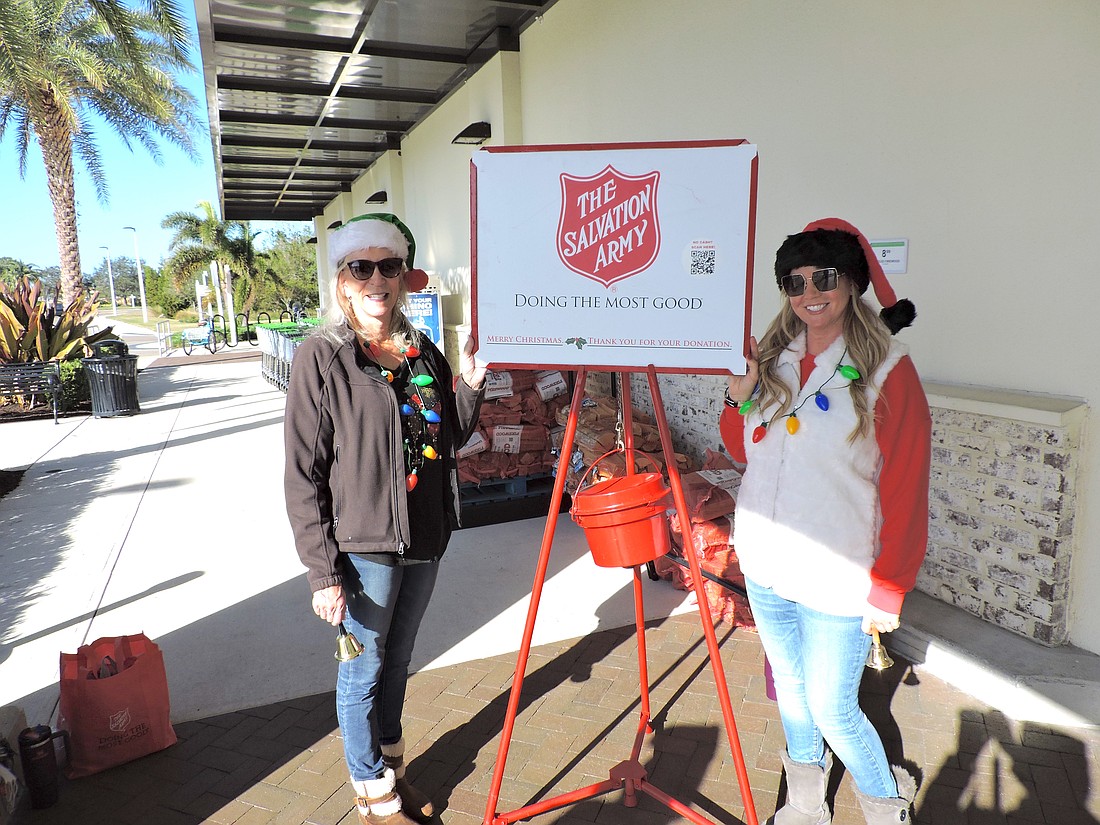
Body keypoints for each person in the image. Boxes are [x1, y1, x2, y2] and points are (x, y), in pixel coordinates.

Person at [719, 218, 930, 825]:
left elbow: (907, 485)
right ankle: (806, 801)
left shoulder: (889, 368)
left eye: (825, 277)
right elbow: (740, 448)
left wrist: (889, 586)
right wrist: (739, 395)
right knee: (791, 693)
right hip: (764, 564)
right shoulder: (770, 357)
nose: (810, 291)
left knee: (835, 707)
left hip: (837, 572)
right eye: (795, 281)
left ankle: (887, 806)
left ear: (853, 281)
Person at [284, 213, 486, 825]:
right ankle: (372, 789)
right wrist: (322, 571)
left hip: (424, 532)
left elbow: (448, 433)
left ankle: (389, 753)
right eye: (361, 267)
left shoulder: (421, 348)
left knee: (399, 657)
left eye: (388, 266)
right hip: (363, 540)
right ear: (343, 281)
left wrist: (470, 383)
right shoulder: (322, 357)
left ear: (403, 276)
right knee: (363, 666)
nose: (377, 279)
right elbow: (302, 473)